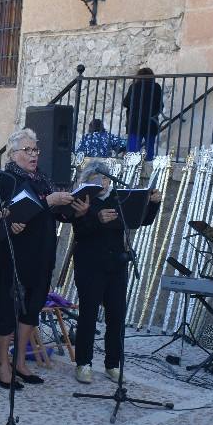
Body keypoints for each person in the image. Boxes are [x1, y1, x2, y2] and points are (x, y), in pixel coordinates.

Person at [0, 128, 83, 388]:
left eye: (36, 150)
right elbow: (9, 211)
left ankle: (19, 361)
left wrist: (73, 209)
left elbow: (55, 214)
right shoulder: (6, 178)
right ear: (12, 153)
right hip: (14, 255)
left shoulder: (43, 178)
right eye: (27, 150)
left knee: (31, 308)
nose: (33, 155)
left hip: (42, 253)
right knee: (8, 309)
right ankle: (2, 365)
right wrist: (47, 200)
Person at [70, 164, 161, 384]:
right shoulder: (82, 200)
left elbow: (139, 221)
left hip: (117, 264)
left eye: (104, 178)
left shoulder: (119, 198)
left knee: (117, 317)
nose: (101, 182)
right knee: (88, 316)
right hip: (89, 265)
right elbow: (79, 231)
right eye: (96, 178)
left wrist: (153, 206)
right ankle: (83, 363)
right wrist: (95, 219)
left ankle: (113, 364)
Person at [120, 68, 164, 159]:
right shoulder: (156, 87)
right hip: (151, 122)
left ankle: (131, 170)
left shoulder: (134, 87)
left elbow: (126, 103)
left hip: (135, 122)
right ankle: (148, 169)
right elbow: (160, 106)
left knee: (132, 151)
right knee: (149, 151)